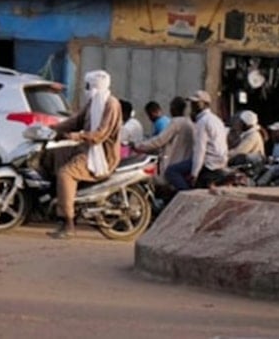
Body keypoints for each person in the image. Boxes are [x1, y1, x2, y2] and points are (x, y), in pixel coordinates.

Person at [45, 70, 122, 239]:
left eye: (87, 86)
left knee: (65, 173)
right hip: (85, 148)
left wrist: (77, 136)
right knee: (50, 155)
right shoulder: (93, 102)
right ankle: (57, 201)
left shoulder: (111, 104)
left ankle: (68, 222)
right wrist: (54, 128)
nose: (85, 89)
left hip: (100, 155)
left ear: (95, 86)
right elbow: (76, 121)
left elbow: (101, 134)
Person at [165, 90, 226, 190]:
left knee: (171, 171)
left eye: (196, 103)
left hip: (208, 162)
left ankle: (186, 195)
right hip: (219, 160)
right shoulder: (215, 119)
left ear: (205, 104)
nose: (193, 106)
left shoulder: (202, 122)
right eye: (192, 104)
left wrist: (194, 173)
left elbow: (200, 150)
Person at [134, 96, 195, 194]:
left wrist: (138, 146)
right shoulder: (189, 123)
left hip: (174, 160)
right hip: (184, 159)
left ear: (174, 109)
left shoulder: (175, 123)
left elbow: (159, 141)